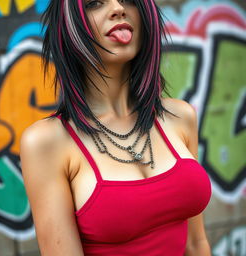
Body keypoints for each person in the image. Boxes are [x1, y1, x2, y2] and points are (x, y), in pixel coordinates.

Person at [20, 0, 212, 255]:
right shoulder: (47, 142)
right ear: (68, 27)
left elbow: (196, 243)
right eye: (94, 3)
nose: (118, 8)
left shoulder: (180, 116)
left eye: (129, 1)